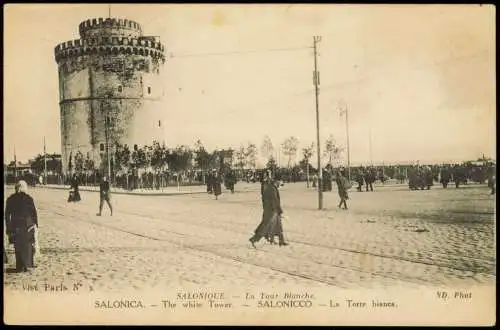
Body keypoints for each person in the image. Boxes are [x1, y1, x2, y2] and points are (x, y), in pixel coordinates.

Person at [4, 180, 38, 272]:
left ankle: (19, 266)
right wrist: (36, 225)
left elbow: (7, 215)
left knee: (17, 246)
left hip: (15, 225)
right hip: (27, 225)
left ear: (16, 188)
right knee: (27, 246)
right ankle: (26, 265)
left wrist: (8, 228)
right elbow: (33, 213)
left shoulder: (10, 199)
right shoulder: (29, 198)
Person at [249, 173, 288, 248]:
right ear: (277, 181)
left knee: (278, 225)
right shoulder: (272, 188)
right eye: (280, 182)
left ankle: (281, 241)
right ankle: (254, 239)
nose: (281, 183)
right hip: (271, 210)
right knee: (266, 226)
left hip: (273, 209)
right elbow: (274, 201)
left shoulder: (272, 187)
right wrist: (279, 210)